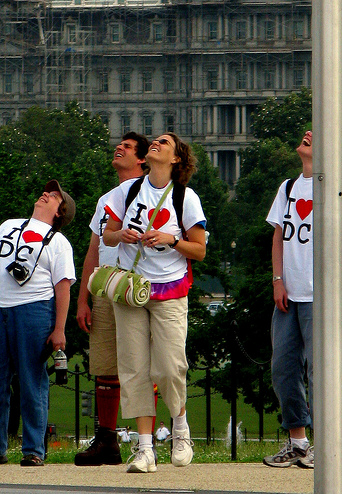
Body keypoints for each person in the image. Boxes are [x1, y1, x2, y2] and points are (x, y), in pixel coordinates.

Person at [103, 132, 207, 473]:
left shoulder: (185, 197)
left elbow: (200, 250)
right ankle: (144, 448)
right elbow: (108, 234)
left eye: (165, 143)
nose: (156, 144)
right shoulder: (127, 191)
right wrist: (122, 235)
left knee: (170, 366)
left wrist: (171, 239)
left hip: (169, 291)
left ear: (176, 159)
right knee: (133, 367)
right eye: (155, 142)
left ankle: (180, 428)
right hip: (131, 289)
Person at [0, 180, 76, 467]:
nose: (45, 194)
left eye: (53, 196)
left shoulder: (59, 242)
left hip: (34, 310)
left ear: (60, 211)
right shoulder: (8, 226)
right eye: (46, 191)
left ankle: (33, 450)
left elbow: (63, 287)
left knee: (31, 381)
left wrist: (59, 328)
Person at [263, 130, 342, 469]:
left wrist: (340, 290)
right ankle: (298, 442)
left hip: (320, 295)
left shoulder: (333, 189)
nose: (306, 134)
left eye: (315, 134)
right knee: (283, 368)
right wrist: (277, 280)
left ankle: (324, 444)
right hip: (289, 294)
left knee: (321, 372)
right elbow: (278, 237)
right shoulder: (288, 188)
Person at [74, 132, 149, 466]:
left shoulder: (153, 195)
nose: (119, 148)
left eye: (129, 147)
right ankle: (107, 440)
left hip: (137, 289)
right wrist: (83, 300)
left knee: (145, 367)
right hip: (105, 287)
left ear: (143, 160)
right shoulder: (107, 198)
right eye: (120, 144)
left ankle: (147, 442)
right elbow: (94, 249)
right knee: (105, 367)